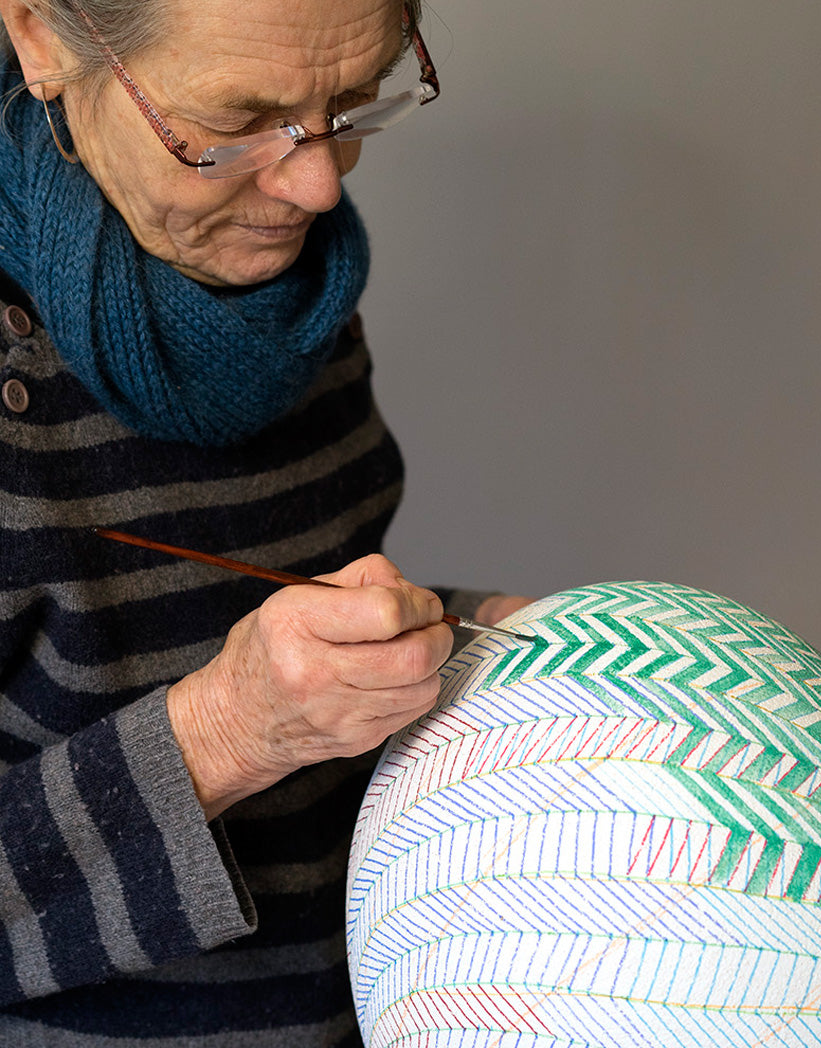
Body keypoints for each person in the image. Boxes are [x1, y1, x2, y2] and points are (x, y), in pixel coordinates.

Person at [0, 0, 528, 1042]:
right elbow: (236, 681)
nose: (318, 184)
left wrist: (484, 638)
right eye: (239, 121)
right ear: (41, 39)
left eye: (352, 101)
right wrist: (222, 736)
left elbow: (265, 604)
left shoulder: (297, 302)